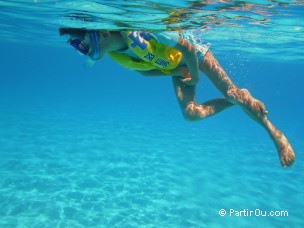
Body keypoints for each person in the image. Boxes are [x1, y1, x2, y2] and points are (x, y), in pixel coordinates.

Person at [59, 28, 295, 168]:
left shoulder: (139, 31)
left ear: (103, 32)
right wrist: (175, 72)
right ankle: (237, 99)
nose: (83, 50)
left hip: (194, 52)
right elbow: (142, 71)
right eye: (78, 47)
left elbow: (188, 48)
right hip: (177, 65)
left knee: (232, 92)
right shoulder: (115, 55)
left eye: (84, 43)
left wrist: (194, 75)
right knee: (191, 114)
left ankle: (275, 135)